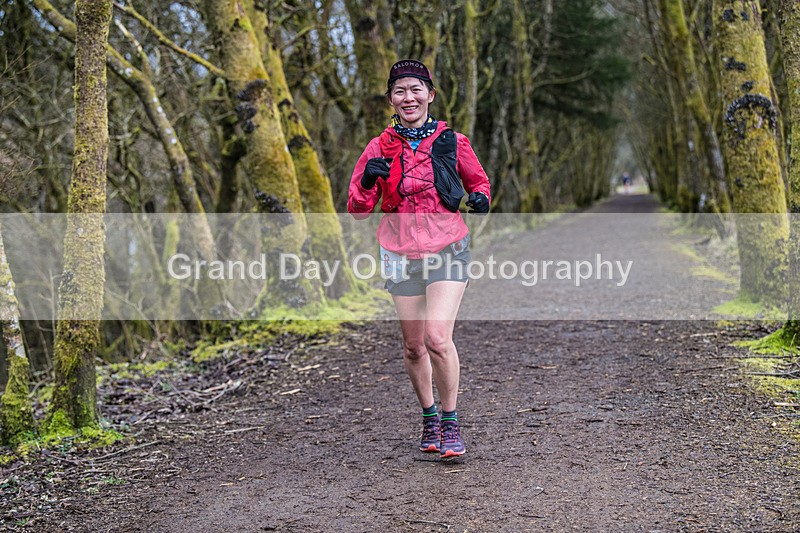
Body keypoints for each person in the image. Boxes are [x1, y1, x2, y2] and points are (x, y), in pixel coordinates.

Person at [348, 59, 491, 458]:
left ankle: (450, 421)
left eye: (415, 89)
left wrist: (481, 199)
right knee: (414, 347)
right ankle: (428, 414)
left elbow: (478, 182)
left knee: (437, 339)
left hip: (448, 246)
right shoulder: (378, 147)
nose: (408, 97)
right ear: (391, 99)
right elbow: (358, 209)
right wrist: (366, 182)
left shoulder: (452, 141)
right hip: (398, 252)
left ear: (430, 94)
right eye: (399, 91)